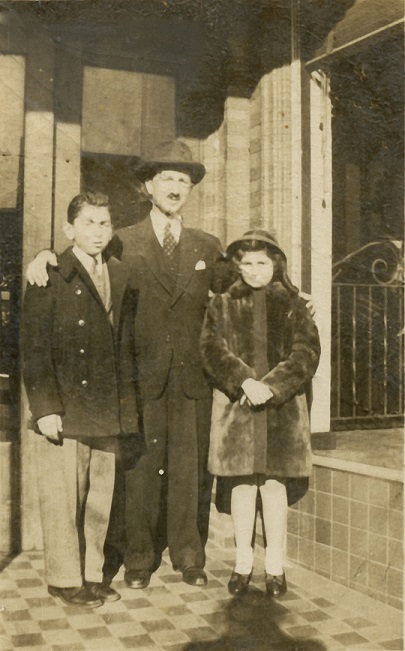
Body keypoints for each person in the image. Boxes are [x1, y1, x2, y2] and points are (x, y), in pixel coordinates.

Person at [26, 140, 227, 589]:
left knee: (190, 470)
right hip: (140, 378)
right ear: (148, 185)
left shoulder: (208, 245)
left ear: (190, 189)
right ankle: (138, 560)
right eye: (168, 179)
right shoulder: (121, 240)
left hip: (193, 380)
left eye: (184, 180)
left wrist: (294, 292)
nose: (176, 187)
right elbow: (80, 251)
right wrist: (43, 256)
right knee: (138, 471)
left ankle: (190, 556)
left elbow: (243, 283)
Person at [22, 191, 138, 608]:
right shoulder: (48, 274)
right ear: (69, 229)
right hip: (65, 407)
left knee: (98, 499)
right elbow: (33, 349)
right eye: (89, 223)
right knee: (64, 497)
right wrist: (45, 408)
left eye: (105, 223)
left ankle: (91, 574)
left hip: (106, 407)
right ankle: (64, 579)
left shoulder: (119, 274)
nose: (98, 232)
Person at [200, 229, 320, 598]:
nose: (254, 270)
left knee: (272, 485)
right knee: (241, 485)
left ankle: (274, 567)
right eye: (247, 263)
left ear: (276, 265)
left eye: (262, 263)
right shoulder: (221, 303)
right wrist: (244, 382)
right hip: (237, 410)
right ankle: (242, 564)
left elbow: (306, 353)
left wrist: (271, 385)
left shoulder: (295, 304)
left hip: (281, 411)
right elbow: (211, 348)